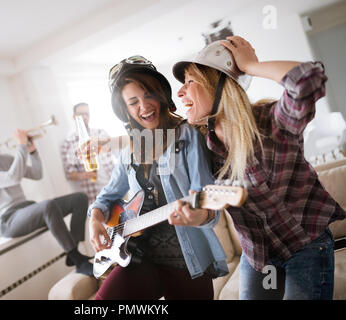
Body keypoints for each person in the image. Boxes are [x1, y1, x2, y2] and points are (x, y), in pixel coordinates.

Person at [172, 35, 346, 299]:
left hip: (306, 246)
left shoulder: (272, 123)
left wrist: (250, 65)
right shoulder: (201, 146)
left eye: (189, 81)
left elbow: (308, 79)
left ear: (218, 84)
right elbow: (209, 208)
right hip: (258, 257)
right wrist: (197, 216)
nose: (180, 92)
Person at [88, 55, 228, 300]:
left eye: (148, 94)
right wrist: (95, 219)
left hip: (188, 263)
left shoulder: (188, 136)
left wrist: (199, 214)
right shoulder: (129, 150)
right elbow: (106, 196)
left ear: (162, 94)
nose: (144, 106)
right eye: (133, 102)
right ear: (126, 111)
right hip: (138, 257)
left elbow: (208, 205)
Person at [0, 124, 93, 276]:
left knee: (79, 199)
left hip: (26, 209)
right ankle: (79, 262)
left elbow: (37, 174)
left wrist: (32, 151)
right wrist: (21, 145)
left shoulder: (5, 160)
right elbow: (12, 178)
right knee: (47, 206)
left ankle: (74, 253)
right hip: (8, 220)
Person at [60, 103, 114, 205]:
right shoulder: (68, 143)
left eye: (87, 114)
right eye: (81, 114)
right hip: (95, 196)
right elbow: (70, 173)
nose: (85, 117)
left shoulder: (100, 133)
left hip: (115, 186)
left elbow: (117, 153)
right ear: (74, 116)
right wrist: (84, 175)